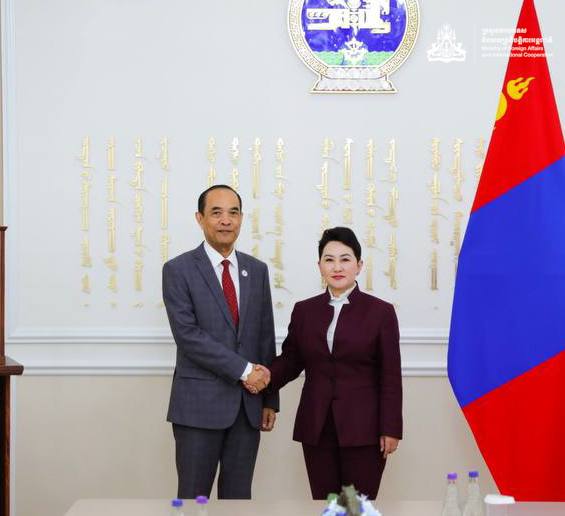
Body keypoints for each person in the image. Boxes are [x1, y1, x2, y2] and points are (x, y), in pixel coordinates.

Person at [245, 226, 402, 499]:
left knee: (355, 508)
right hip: (316, 426)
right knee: (324, 505)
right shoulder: (305, 311)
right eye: (329, 260)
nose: (337, 267)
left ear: (359, 265)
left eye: (345, 259)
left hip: (364, 428)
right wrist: (263, 377)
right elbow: (291, 360)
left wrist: (391, 428)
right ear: (319, 266)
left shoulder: (381, 312)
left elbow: (390, 377)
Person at [163, 184, 278, 499]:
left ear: (241, 218)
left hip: (247, 408)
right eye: (216, 212)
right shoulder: (178, 270)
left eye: (233, 212)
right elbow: (188, 336)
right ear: (200, 218)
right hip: (197, 409)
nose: (226, 220)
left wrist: (270, 399)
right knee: (193, 498)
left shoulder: (256, 270)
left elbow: (265, 336)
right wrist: (245, 371)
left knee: (238, 500)